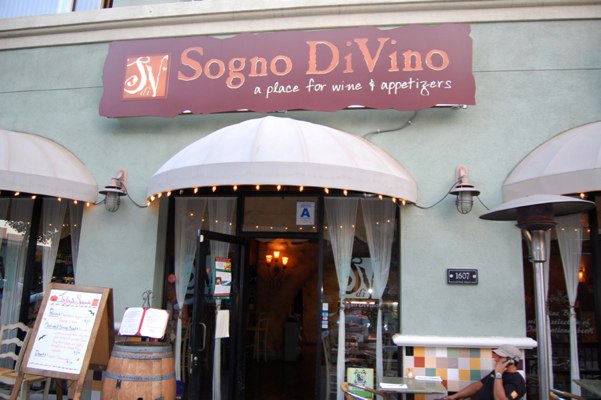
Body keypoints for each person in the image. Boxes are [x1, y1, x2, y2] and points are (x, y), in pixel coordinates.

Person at [442, 345, 526, 400]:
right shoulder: (496, 372)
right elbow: (477, 386)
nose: (496, 359)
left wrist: (498, 375)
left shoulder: (517, 381)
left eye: (500, 357)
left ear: (511, 361)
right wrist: (454, 396)